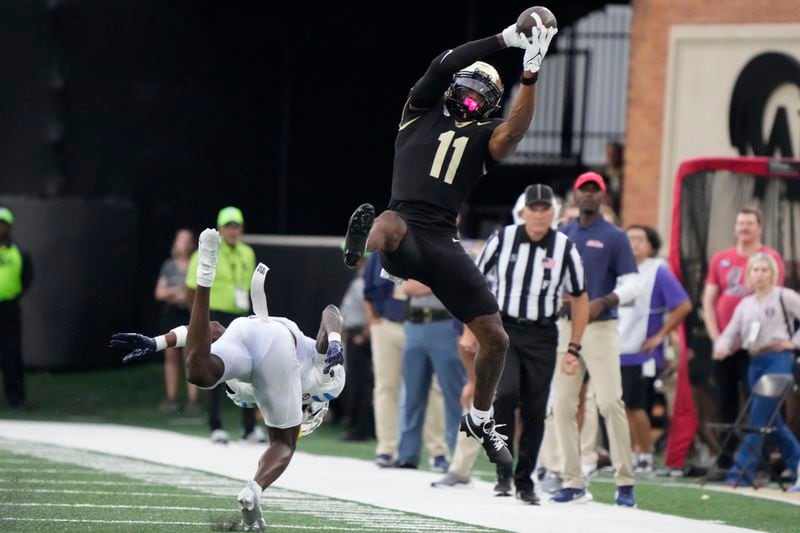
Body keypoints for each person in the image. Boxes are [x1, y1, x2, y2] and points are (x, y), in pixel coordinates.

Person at [342, 16, 558, 466]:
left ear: (493, 103)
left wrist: (532, 72)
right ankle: (359, 247)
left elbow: (513, 133)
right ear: (454, 86)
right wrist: (504, 40)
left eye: (485, 95)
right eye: (469, 87)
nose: (474, 97)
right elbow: (443, 65)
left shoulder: (485, 136)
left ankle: (480, 417)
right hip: (405, 228)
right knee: (387, 220)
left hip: (442, 240)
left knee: (496, 339)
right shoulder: (419, 111)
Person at [111, 236, 347, 531]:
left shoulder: (260, 395)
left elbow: (213, 329)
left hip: (245, 329)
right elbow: (331, 312)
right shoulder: (326, 383)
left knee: (198, 372)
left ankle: (205, 274)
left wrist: (159, 342)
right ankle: (254, 489)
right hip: (277, 342)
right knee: (283, 443)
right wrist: (335, 340)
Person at [476, 183, 589, 504]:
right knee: (506, 394)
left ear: (553, 213)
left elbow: (581, 297)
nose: (539, 215)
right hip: (504, 330)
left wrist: (575, 346)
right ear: (523, 211)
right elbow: (474, 280)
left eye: (545, 209)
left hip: (543, 333)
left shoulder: (565, 247)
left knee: (537, 409)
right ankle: (503, 472)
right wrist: (471, 328)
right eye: (533, 209)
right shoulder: (503, 238)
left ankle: (525, 480)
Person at [549, 171, 642, 507]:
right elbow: (551, 278)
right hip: (565, 325)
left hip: (600, 327)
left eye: (595, 190)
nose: (588, 195)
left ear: (603, 197)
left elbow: (633, 284)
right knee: (561, 404)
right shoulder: (562, 234)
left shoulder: (615, 236)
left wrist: (605, 300)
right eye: (583, 189)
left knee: (609, 402)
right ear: (575, 195)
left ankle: (625, 480)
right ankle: (571, 480)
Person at [702, 207, 784, 467]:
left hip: (757, 347)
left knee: (760, 400)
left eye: (750, 223)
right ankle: (727, 457)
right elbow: (709, 299)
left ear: (759, 227)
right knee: (725, 400)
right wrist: (719, 339)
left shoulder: (769, 258)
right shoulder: (721, 259)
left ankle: (764, 458)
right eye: (740, 223)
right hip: (725, 345)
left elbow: (773, 297)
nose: (744, 228)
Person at [713, 252, 800, 491]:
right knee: (771, 421)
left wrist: (794, 343)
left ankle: (739, 473)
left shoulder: (785, 296)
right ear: (749, 274)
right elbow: (731, 332)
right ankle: (798, 468)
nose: (760, 274)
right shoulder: (746, 304)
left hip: (779, 359)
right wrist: (721, 347)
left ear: (773, 274)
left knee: (758, 418)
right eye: (755, 270)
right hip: (755, 361)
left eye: (765, 270)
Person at [362, 252, 448, 467]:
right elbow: (368, 289)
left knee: (431, 388)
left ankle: (437, 451)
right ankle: (386, 449)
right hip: (387, 324)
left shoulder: (428, 247)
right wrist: (374, 321)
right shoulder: (381, 252)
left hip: (422, 324)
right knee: (386, 386)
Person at [619, 225, 691, 474]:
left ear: (651, 245)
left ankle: (646, 454)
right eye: (630, 239)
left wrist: (660, 335)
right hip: (616, 346)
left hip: (641, 351)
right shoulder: (618, 268)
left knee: (636, 404)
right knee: (619, 405)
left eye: (640, 239)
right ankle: (628, 453)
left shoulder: (657, 271)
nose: (634, 244)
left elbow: (683, 305)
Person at [186, 207, 261, 444]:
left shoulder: (247, 253)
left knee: (249, 370)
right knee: (215, 369)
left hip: (239, 315)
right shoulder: (203, 253)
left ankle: (249, 428)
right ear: (219, 228)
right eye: (228, 225)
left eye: (236, 225)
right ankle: (215, 425)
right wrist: (198, 321)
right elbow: (191, 289)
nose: (232, 230)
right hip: (213, 317)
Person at [392, 280, 464, 470]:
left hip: (446, 323)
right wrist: (439, 280)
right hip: (415, 323)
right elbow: (407, 288)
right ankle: (407, 455)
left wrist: (426, 280)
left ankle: (459, 457)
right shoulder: (416, 255)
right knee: (412, 394)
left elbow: (461, 283)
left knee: (453, 394)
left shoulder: (460, 252)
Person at [155, 228, 198, 415]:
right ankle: (171, 397)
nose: (184, 244)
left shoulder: (196, 264)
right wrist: (174, 293)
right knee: (171, 354)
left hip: (189, 313)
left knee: (190, 355)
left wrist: (185, 296)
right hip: (172, 313)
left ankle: (193, 400)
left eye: (188, 240)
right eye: (181, 240)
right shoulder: (169, 265)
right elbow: (159, 292)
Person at [0, 207, 33, 409]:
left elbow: (27, 278)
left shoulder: (19, 253)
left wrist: (14, 296)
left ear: (9, 226)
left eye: (3, 223)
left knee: (11, 354)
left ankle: (16, 399)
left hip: (9, 308)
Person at [338, 255, 374, 441]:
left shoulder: (368, 280)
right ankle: (356, 426)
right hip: (353, 334)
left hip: (361, 336)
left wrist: (365, 334)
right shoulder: (358, 280)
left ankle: (360, 428)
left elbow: (372, 307)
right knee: (356, 382)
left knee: (360, 384)